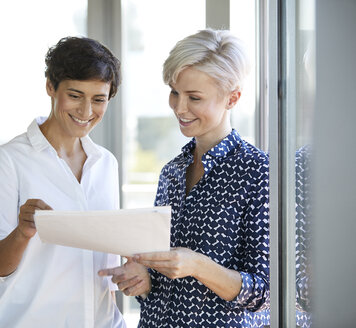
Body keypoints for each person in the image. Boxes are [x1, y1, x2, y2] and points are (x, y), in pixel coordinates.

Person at [99, 29, 270, 327]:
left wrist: (197, 265)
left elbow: (264, 293)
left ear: (233, 98)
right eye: (175, 92)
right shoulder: (172, 171)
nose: (179, 107)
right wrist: (144, 278)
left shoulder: (257, 172)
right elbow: (162, 279)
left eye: (194, 97)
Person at [0, 36, 126, 327]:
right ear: (50, 87)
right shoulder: (9, 160)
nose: (85, 111)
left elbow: (105, 256)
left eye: (98, 99)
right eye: (75, 95)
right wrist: (22, 232)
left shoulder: (106, 163)